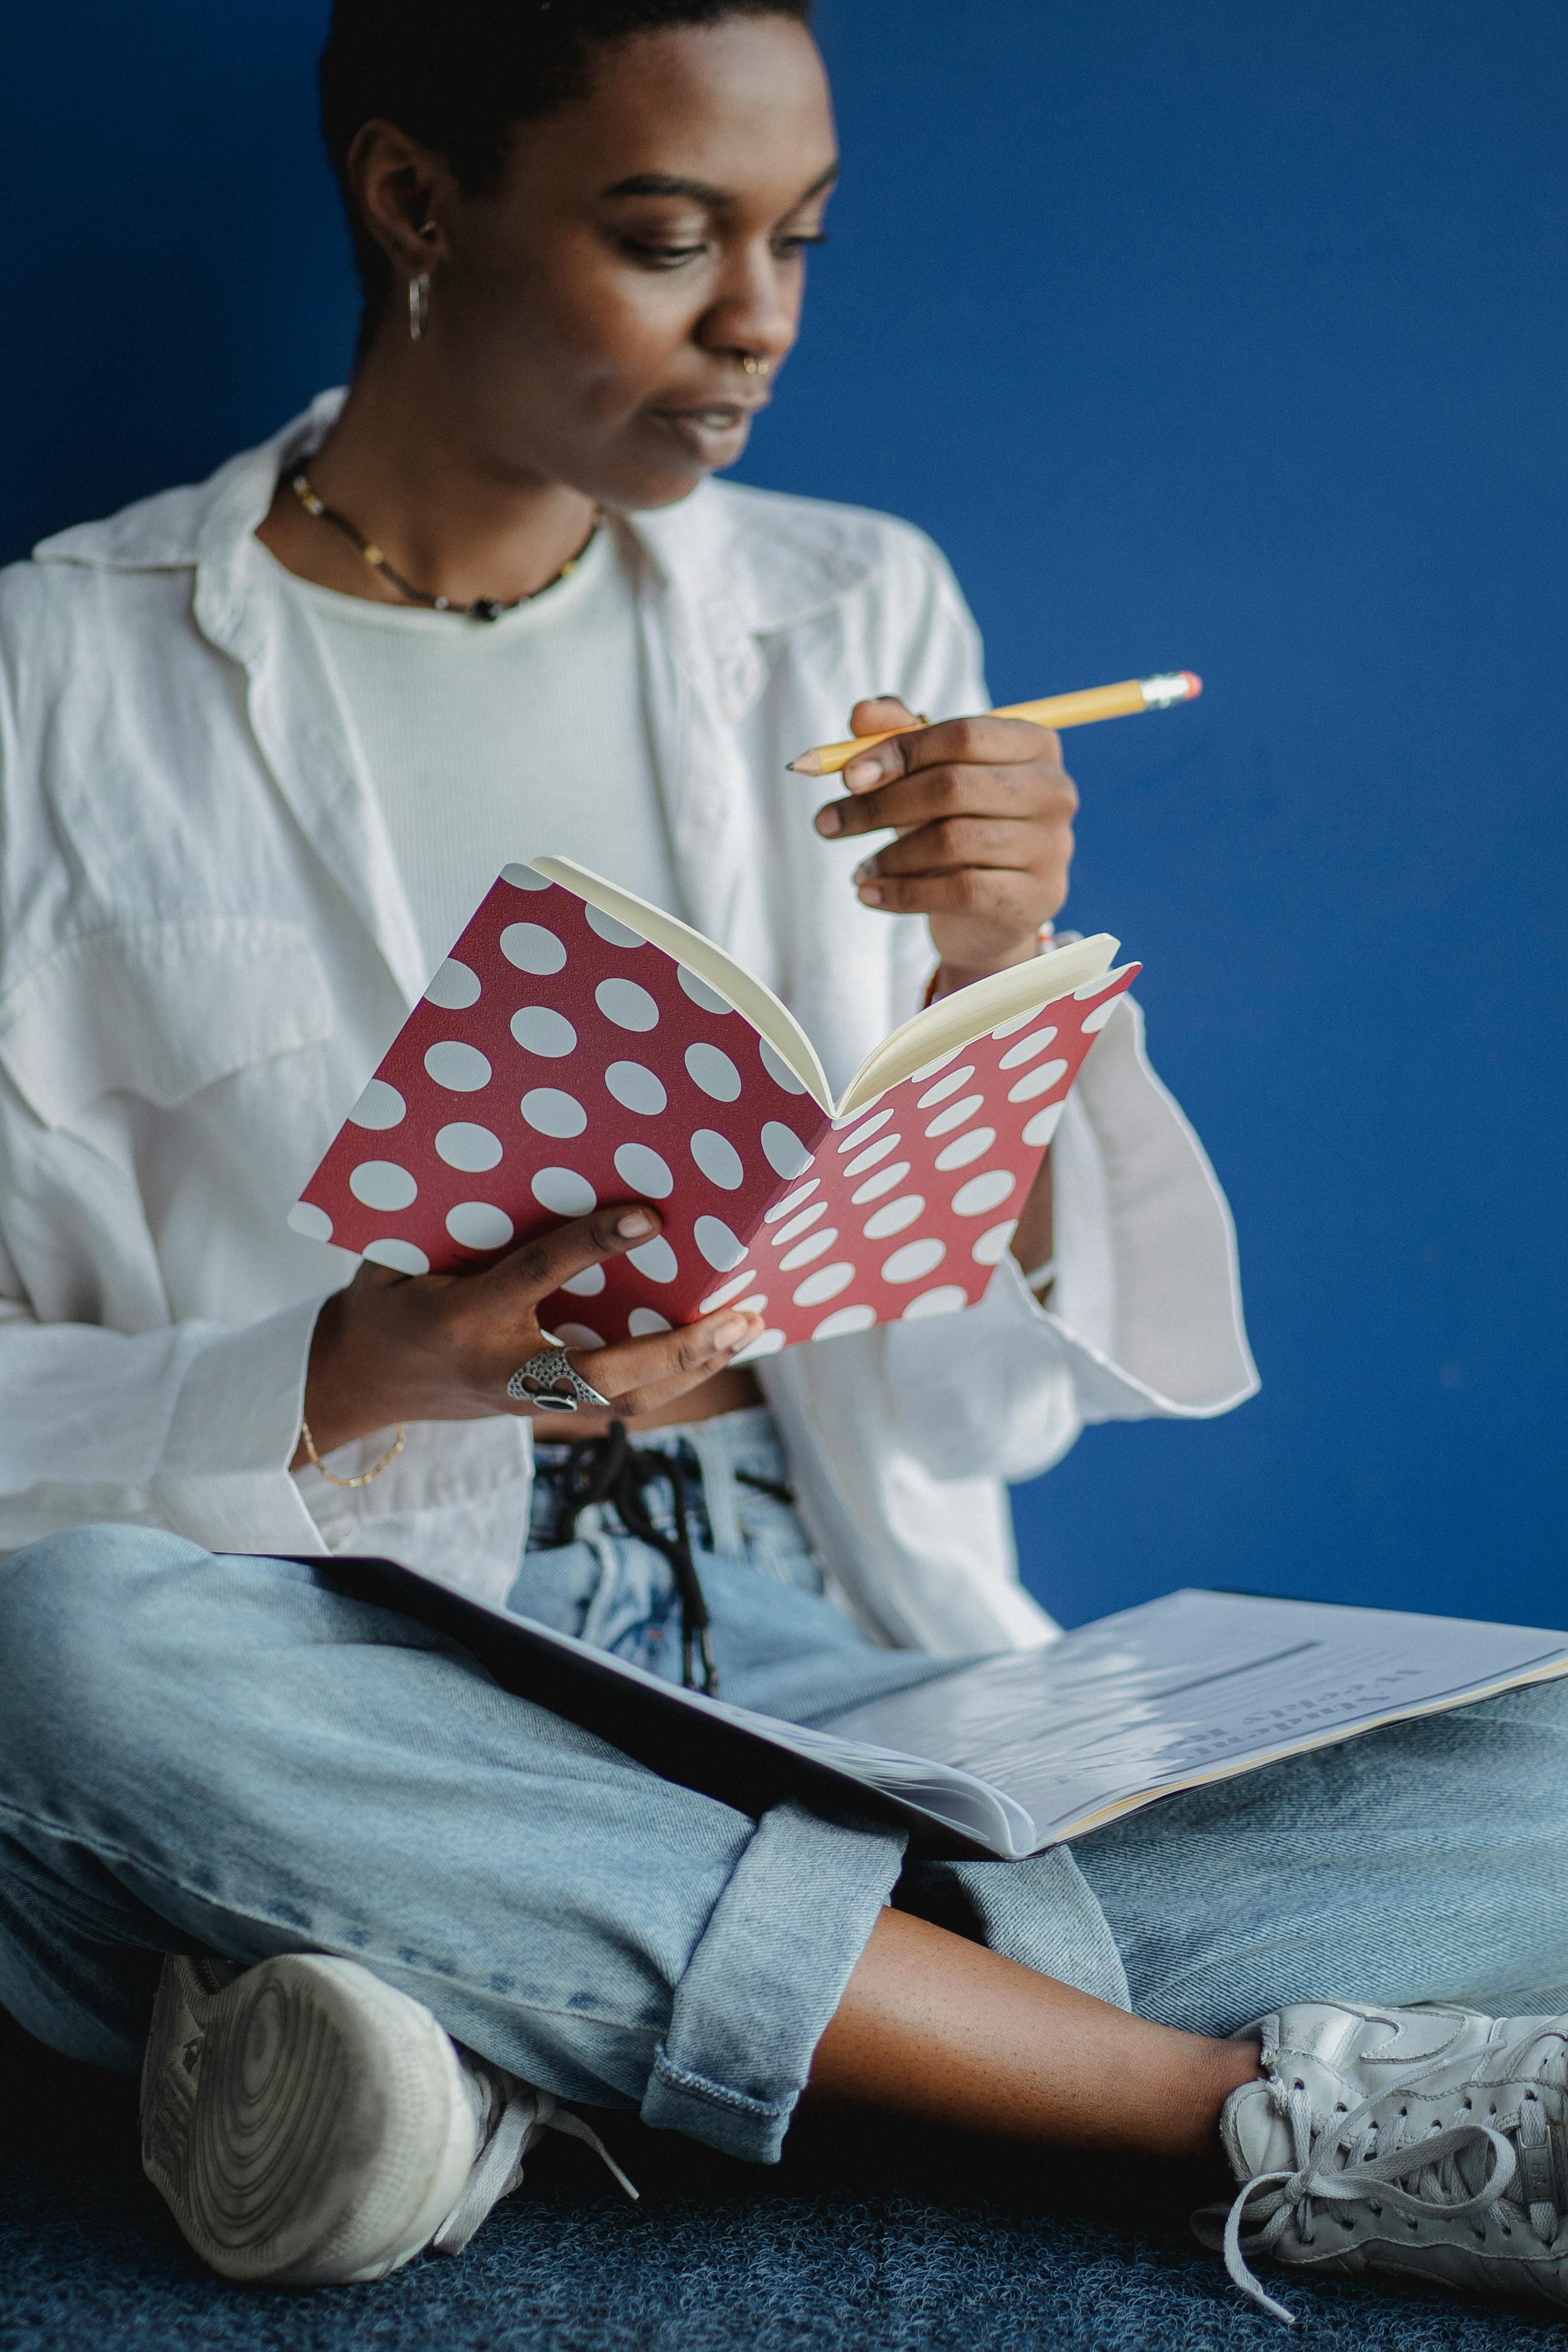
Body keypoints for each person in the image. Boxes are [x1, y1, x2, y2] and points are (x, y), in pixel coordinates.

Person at [0, 0, 1563, 2323]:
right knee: (63, 1659)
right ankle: (1233, 2112)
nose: (757, 326)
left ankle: (485, 2049)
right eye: (667, 239)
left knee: (1537, 1761)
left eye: (800, 244)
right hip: (344, 1650)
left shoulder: (855, 616)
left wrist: (993, 973)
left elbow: (993, 1406)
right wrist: (334, 1367)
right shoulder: (53, 680)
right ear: (417, 202)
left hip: (837, 1664)